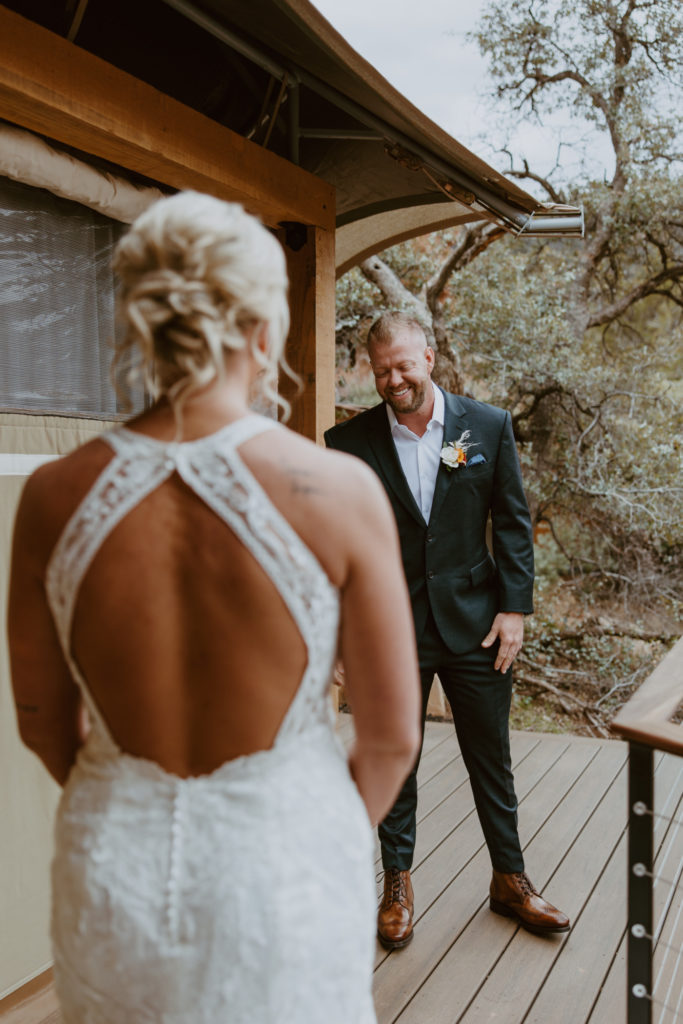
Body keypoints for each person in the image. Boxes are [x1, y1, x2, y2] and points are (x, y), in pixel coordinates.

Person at [8, 193, 421, 1023]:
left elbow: (44, 722)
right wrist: (302, 826)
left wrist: (128, 803)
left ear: (138, 322)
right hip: (285, 868)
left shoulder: (54, 495)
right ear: (264, 329)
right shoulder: (338, 490)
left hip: (111, 870)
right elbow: (391, 736)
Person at [325, 311, 570, 949]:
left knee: (491, 757)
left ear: (428, 358)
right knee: (395, 756)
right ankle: (397, 884)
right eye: (381, 370)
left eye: (403, 365)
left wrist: (514, 610)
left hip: (478, 625)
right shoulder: (346, 445)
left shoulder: (486, 426)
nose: (393, 379)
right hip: (390, 628)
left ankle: (510, 879)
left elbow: (512, 525)